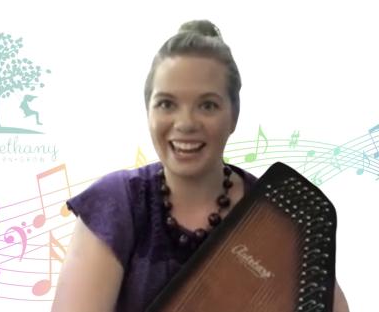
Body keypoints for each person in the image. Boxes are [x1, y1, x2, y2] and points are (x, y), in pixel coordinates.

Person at [51, 20, 349, 312]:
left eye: (207, 105)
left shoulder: (279, 213)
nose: (185, 123)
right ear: (148, 112)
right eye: (167, 104)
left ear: (233, 116)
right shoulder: (117, 204)